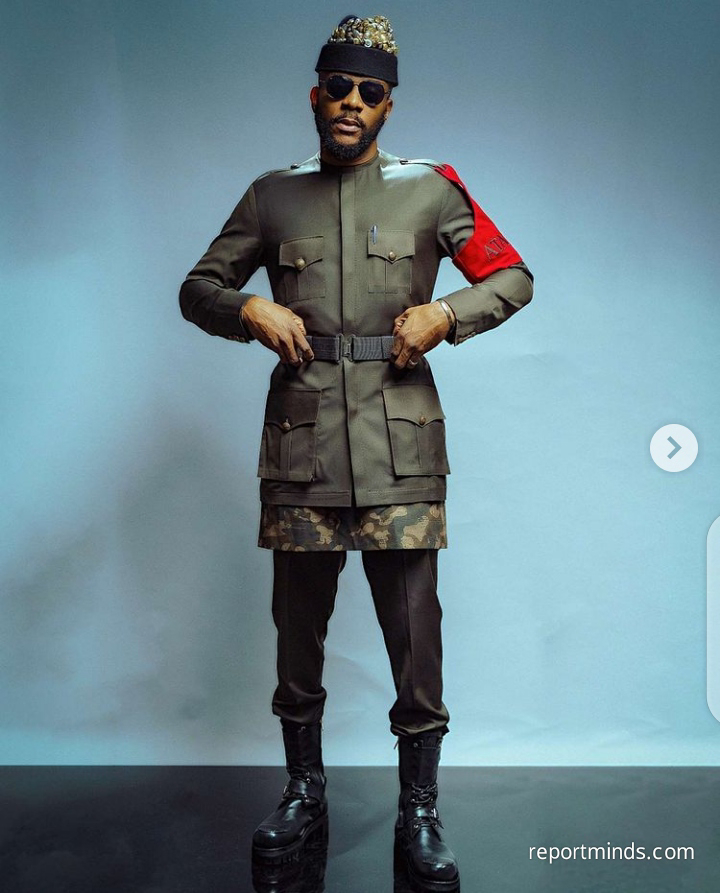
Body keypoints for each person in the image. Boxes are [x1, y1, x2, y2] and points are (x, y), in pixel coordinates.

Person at [179, 14, 533, 891]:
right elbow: (198, 286)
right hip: (302, 448)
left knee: (416, 637)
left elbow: (511, 276)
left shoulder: (431, 191)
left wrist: (448, 313)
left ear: (387, 106)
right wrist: (247, 308)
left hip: (399, 447)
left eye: (369, 92)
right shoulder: (272, 197)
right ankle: (303, 791)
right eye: (338, 87)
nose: (351, 102)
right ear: (315, 94)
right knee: (297, 634)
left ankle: (420, 808)